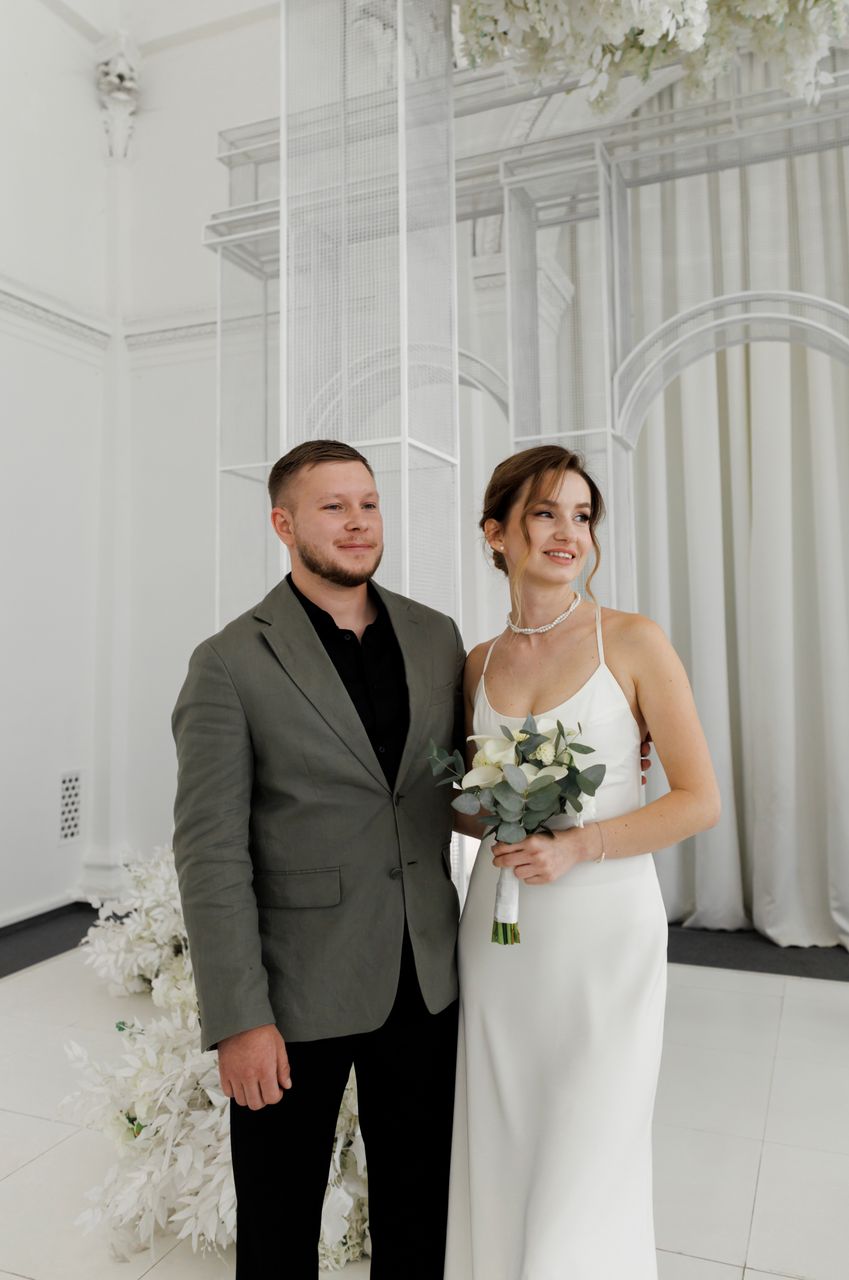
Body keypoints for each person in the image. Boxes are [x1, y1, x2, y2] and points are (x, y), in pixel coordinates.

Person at [171, 440, 464, 1280]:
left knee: (420, 1213)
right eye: (333, 507)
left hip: (425, 974)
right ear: (283, 524)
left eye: (368, 503)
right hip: (294, 988)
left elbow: (461, 776)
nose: (358, 522)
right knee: (277, 1221)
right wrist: (239, 1018)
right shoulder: (229, 661)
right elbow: (210, 851)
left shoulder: (436, 637)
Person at [444, 445, 721, 1280]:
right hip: (499, 936)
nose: (568, 533)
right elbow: (466, 808)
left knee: (588, 1145)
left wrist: (577, 844)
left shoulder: (631, 641)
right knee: (504, 1137)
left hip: (603, 932)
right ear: (495, 533)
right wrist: (478, 809)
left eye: (581, 515)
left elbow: (698, 800)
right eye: (544, 513)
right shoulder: (476, 663)